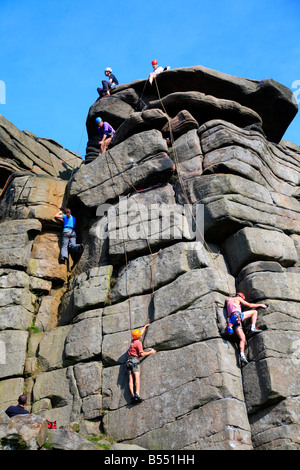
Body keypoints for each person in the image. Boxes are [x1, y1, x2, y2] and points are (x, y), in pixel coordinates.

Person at [226, 292, 267, 365]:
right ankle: (253, 327)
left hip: (232, 320)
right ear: (241, 297)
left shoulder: (228, 300)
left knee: (243, 339)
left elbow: (227, 299)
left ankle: (242, 355)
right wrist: (260, 305)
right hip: (237, 315)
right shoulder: (238, 298)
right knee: (254, 312)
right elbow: (249, 305)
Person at [126, 323, 156, 404]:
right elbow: (141, 354)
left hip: (128, 361)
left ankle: (132, 395)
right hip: (135, 361)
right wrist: (151, 352)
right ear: (138, 337)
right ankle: (137, 394)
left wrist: (145, 327)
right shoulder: (138, 343)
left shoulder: (133, 341)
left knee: (130, 379)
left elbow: (140, 333)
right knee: (137, 378)